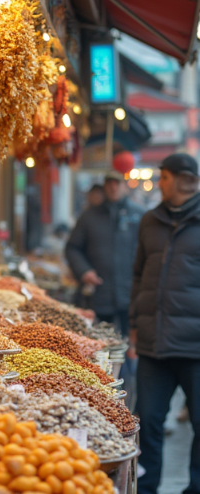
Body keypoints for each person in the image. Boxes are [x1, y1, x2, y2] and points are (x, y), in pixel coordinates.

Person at [130, 153, 200, 494]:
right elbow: (139, 275)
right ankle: (146, 488)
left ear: (183, 179)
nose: (160, 184)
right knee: (148, 423)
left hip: (195, 346)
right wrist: (134, 323)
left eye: (165, 178)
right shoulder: (150, 221)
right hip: (153, 344)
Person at [65, 170, 145, 336]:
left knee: (131, 345)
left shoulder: (140, 214)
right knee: (99, 341)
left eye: (117, 183)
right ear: (104, 187)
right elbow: (72, 247)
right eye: (109, 183)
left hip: (132, 293)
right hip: (99, 292)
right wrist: (83, 270)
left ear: (125, 186)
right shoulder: (89, 216)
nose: (113, 187)